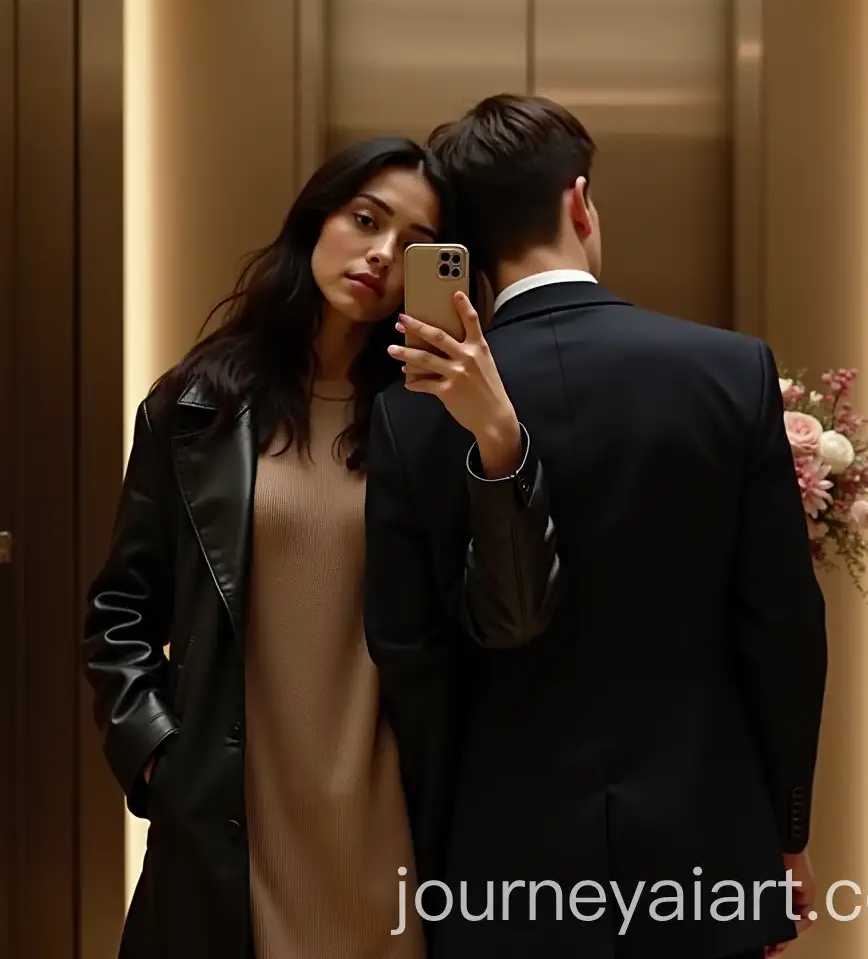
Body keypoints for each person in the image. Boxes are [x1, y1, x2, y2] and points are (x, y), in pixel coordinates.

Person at [364, 96, 828, 959]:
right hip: (705, 855)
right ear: (579, 203)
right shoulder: (729, 373)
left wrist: (430, 858)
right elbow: (782, 629)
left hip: (501, 870)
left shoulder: (409, 416)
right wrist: (783, 830)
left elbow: (410, 661)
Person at [82, 136, 561, 959]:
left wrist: (496, 433)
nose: (380, 255)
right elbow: (119, 610)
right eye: (365, 219)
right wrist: (159, 757)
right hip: (230, 821)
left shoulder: (430, 422)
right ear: (316, 219)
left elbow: (513, 615)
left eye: (414, 246)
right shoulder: (195, 409)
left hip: (388, 829)